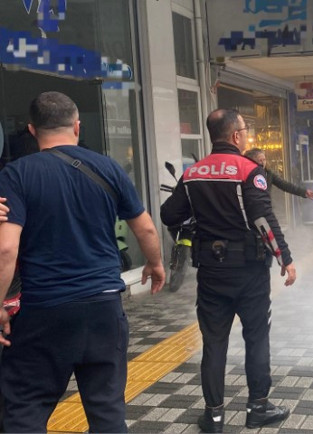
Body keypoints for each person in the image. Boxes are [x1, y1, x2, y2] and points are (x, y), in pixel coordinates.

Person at [0, 91, 165, 432]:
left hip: (43, 310)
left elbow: (5, 250)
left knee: (26, 408)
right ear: (77, 126)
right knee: (106, 411)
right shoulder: (108, 167)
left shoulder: (16, 174)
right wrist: (155, 264)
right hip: (103, 307)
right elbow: (146, 228)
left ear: (32, 130)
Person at [161, 108, 296, 432]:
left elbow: (169, 215)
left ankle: (214, 416)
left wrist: (194, 226)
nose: (247, 136)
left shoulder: (193, 174)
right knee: (256, 339)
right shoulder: (249, 171)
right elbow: (264, 221)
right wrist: (286, 260)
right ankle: (258, 408)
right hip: (249, 274)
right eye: (246, 131)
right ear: (236, 136)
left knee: (214, 343)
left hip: (211, 274)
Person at [243, 148, 313, 199]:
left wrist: (303, 192)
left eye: (264, 160)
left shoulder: (269, 174)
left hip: (264, 208)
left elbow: (284, 185)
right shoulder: (245, 174)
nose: (263, 163)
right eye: (260, 160)